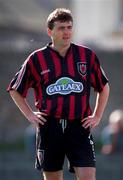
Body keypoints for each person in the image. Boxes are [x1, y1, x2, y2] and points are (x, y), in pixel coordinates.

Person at [7, 8, 109, 180]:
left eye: (69, 27)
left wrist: (97, 116)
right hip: (50, 127)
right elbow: (15, 89)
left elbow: (104, 86)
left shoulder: (87, 55)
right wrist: (30, 115)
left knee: (88, 176)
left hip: (79, 126)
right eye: (61, 28)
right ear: (50, 31)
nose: (67, 32)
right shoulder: (36, 59)